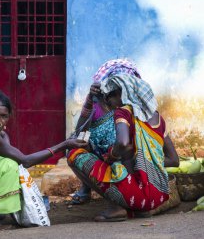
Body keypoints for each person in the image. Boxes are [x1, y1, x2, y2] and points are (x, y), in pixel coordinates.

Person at [0, 90, 88, 232]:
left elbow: (5, 144)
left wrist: (3, 135)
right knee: (10, 165)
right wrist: (63, 145)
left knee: (8, 162)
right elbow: (25, 161)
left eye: (3, 117)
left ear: (8, 118)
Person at [68, 72, 179, 221]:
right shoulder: (158, 118)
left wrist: (111, 157)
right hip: (158, 195)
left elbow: (122, 143)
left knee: (73, 152)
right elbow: (174, 160)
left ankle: (117, 208)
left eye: (110, 98)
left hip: (136, 194)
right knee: (126, 163)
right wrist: (143, 161)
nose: (109, 103)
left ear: (121, 94)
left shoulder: (124, 112)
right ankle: (137, 209)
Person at [69, 59, 142, 205]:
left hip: (128, 161)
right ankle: (88, 186)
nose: (121, 96)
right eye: (116, 91)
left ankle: (124, 195)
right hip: (103, 156)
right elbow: (81, 133)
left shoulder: (136, 107)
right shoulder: (96, 105)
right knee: (74, 145)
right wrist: (89, 101)